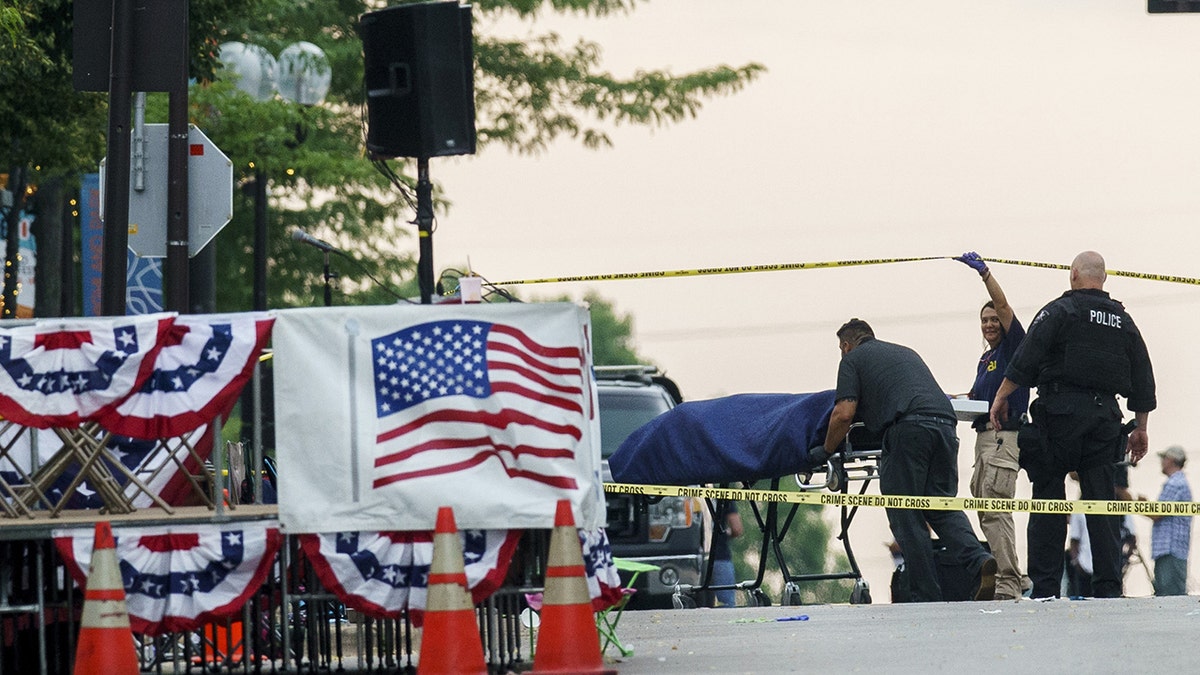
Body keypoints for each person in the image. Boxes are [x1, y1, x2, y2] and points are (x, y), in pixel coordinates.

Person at [990, 251, 1156, 599]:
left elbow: (1026, 355)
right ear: (1104, 279)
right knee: (1101, 504)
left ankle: (1046, 588)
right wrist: (1140, 426)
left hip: (1058, 416)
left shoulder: (1059, 311)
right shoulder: (1123, 321)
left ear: (1074, 275)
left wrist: (1002, 395)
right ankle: (1109, 589)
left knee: (1048, 500)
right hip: (1103, 421)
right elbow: (1143, 374)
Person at [820, 318, 996, 602]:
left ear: (846, 345)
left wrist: (826, 449)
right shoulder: (905, 352)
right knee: (941, 507)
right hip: (945, 427)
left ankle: (925, 595)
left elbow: (843, 413)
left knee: (905, 512)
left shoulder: (852, 360)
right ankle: (979, 561)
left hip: (910, 429)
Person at [956, 251, 1029, 601]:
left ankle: (1009, 582)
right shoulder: (986, 358)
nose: (990, 325)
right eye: (984, 320)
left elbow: (1004, 307)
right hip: (983, 438)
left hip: (1003, 438)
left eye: (994, 320)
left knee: (998, 511)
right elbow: (974, 396)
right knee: (988, 512)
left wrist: (985, 273)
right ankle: (1015, 575)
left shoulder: (1015, 348)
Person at [1141, 445, 1191, 596]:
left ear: (1172, 460)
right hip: (1170, 550)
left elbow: (1158, 513)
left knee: (1170, 598)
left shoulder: (1175, 483)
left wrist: (1140, 506)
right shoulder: (1179, 483)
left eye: (1164, 458)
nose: (1162, 462)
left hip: (1170, 549)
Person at [708, 500, 744, 607]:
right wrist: (725, 534)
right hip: (720, 556)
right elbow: (736, 528)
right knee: (726, 603)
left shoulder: (690, 491)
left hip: (694, 555)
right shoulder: (724, 494)